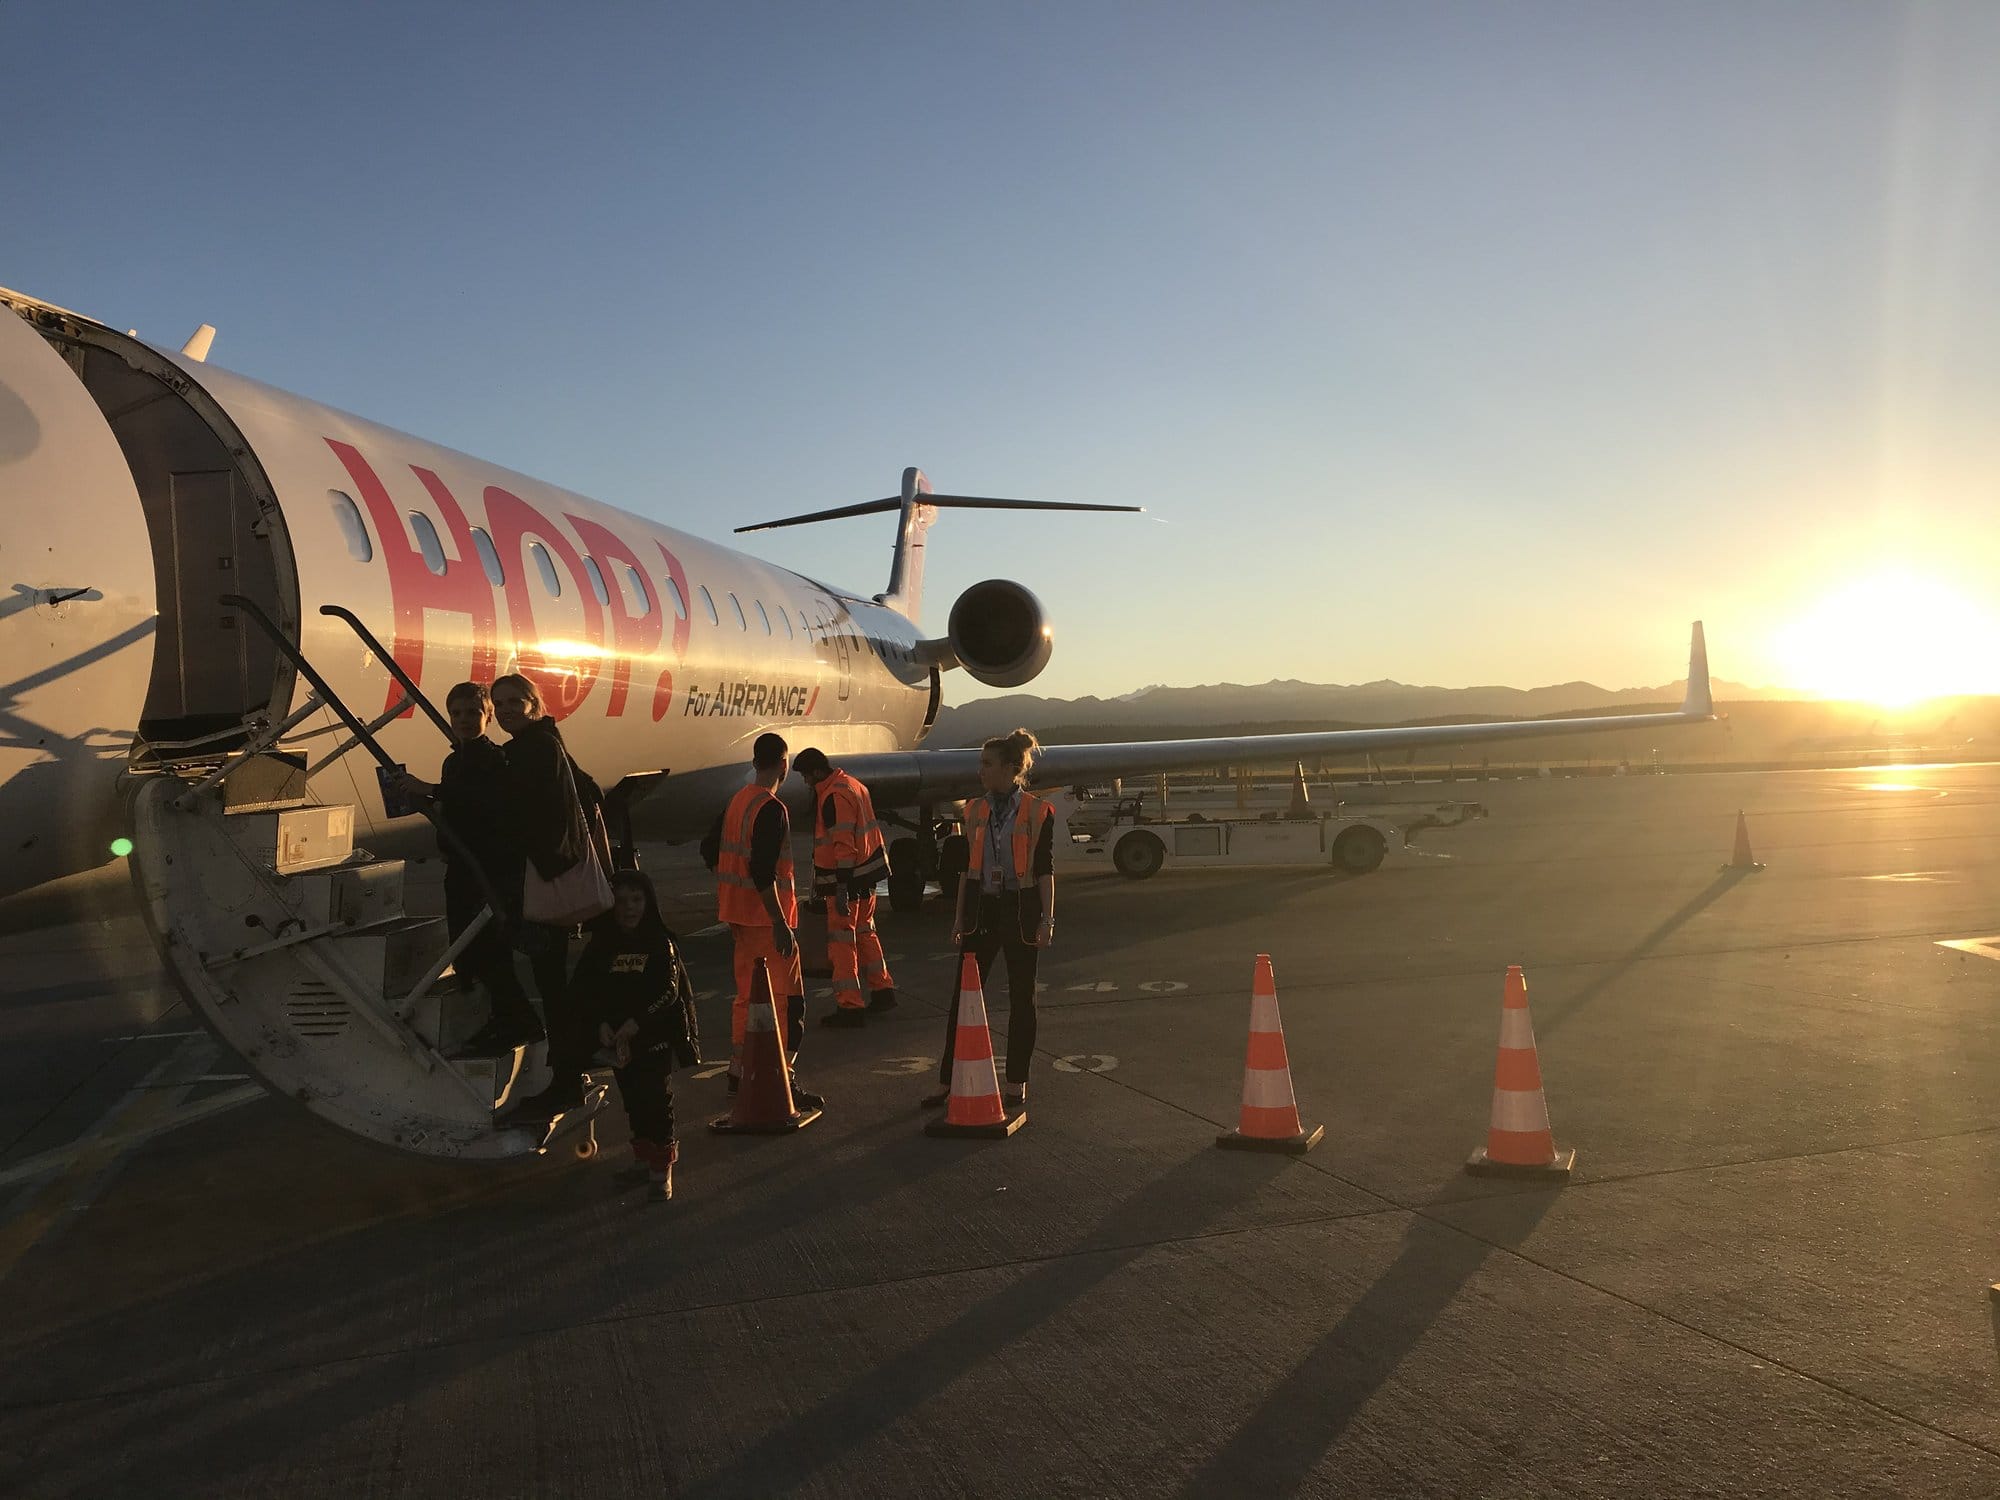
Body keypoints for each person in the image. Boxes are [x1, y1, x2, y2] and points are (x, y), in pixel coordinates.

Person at [391, 682, 541, 1055]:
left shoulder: (492, 757)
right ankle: (500, 1019)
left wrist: (433, 791)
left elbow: (484, 801)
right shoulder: (455, 760)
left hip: (484, 869)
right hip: (461, 866)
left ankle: (517, 1020)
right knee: (468, 952)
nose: (463, 720)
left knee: (486, 950)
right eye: (456, 713)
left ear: (488, 716)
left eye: (472, 712)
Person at [492, 670, 607, 1119]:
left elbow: (518, 816)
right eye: (498, 705)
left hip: (543, 887)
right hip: (554, 884)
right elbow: (591, 791)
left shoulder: (530, 750)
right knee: (554, 985)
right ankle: (568, 1074)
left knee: (550, 987)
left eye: (513, 703)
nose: (504, 712)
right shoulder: (549, 742)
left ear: (533, 704)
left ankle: (565, 1079)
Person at [923, 728, 1055, 1111]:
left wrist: (1047, 919)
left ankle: (1016, 1082)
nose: (980, 771)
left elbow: (1045, 869)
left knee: (1021, 997)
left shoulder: (1036, 810)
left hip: (1020, 907)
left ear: (1010, 769)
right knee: (963, 998)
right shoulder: (975, 810)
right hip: (983, 909)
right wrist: (958, 918)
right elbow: (968, 869)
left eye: (986, 764)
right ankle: (950, 1080)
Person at [700, 732, 823, 1109]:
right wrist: (779, 922)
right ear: (784, 765)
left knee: (747, 999)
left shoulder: (737, 802)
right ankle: (781, 1078)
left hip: (737, 918)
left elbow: (710, 850)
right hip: (766, 923)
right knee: (786, 1003)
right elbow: (763, 871)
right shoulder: (771, 808)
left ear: (755, 762)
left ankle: (741, 1074)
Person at [571, 870, 699, 1200]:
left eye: (637, 900)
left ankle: (661, 1172)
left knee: (656, 1102)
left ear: (649, 902)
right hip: (618, 1042)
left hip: (652, 1037)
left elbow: (669, 992)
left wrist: (637, 1022)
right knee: (633, 1103)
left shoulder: (659, 942)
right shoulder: (602, 945)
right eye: (621, 901)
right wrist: (600, 1023)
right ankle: (644, 1161)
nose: (629, 908)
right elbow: (585, 989)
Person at [793, 747, 896, 1029]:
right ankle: (882, 989)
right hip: (867, 876)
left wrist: (840, 887)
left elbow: (843, 844)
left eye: (805, 776)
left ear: (816, 772)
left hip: (846, 881)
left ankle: (850, 1006)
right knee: (865, 931)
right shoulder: (853, 785)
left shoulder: (834, 796)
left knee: (842, 942)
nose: (805, 782)